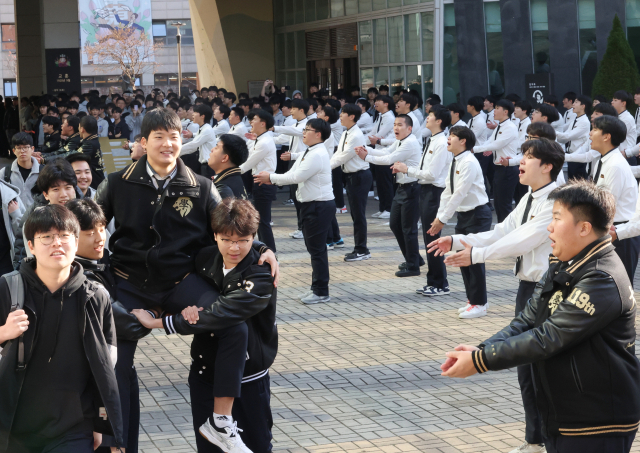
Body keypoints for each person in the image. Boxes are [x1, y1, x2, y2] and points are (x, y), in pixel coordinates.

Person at [95, 108, 279, 453]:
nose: (168, 144)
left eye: (174, 137)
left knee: (234, 329)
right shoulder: (117, 182)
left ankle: (221, 422)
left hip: (181, 281)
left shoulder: (201, 185)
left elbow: (232, 220)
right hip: (129, 282)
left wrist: (261, 247)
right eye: (159, 137)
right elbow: (89, 224)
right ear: (144, 142)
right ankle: (117, 442)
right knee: (114, 358)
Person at [441, 179, 640, 453]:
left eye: (557, 218)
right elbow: (527, 320)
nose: (550, 226)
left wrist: (480, 361)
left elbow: (548, 337)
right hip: (565, 412)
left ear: (584, 228)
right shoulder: (563, 263)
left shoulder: (601, 277)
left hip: (599, 420)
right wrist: (482, 348)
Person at [431, 138, 563, 451]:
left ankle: (552, 441)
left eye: (528, 157)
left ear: (547, 166)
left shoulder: (557, 201)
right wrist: (461, 239)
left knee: (544, 369)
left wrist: (476, 255)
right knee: (525, 369)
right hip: (527, 289)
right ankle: (535, 440)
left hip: (549, 291)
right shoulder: (530, 196)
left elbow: (523, 241)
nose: (520, 161)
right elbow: (503, 231)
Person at [131, 198, 276, 453]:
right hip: (205, 375)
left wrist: (159, 322)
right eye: (227, 239)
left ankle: (223, 423)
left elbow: (221, 313)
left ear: (253, 236)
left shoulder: (261, 274)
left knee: (257, 447)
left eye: (243, 240)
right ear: (215, 236)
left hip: (248, 378)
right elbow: (182, 289)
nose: (234, 247)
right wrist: (184, 308)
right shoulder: (205, 257)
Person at [0, 204, 124, 452]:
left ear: (76, 243)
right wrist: (2, 333)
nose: (57, 243)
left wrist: (100, 421)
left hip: (73, 427)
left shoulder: (95, 296)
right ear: (31, 246)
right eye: (46, 237)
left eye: (64, 236)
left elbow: (106, 364)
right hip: (12, 425)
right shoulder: (8, 288)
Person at [255, 118, 334, 304]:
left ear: (318, 134)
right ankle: (317, 288)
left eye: (308, 130)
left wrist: (271, 177)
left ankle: (321, 291)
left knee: (317, 250)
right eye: (304, 129)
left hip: (318, 206)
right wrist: (272, 178)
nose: (304, 133)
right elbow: (294, 173)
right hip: (312, 205)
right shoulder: (310, 150)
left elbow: (296, 176)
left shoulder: (317, 153)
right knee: (315, 249)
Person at [429, 126, 491, 318]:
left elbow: (460, 193)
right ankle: (473, 300)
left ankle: (480, 303)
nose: (448, 139)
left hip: (478, 215)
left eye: (453, 136)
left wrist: (442, 219)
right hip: (464, 215)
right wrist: (439, 216)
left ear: (463, 141)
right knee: (463, 259)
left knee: (473, 258)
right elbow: (448, 192)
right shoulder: (455, 160)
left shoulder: (469, 162)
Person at [393, 107, 452, 293]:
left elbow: (432, 174)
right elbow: (423, 167)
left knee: (432, 237)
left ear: (439, 121)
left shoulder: (441, 142)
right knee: (429, 237)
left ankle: (440, 283)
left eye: (431, 116)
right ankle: (433, 281)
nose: (427, 118)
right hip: (426, 190)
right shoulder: (432, 139)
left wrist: (407, 169)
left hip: (434, 192)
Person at [356, 114, 422, 277]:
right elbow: (385, 151)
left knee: (408, 229)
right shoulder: (400, 141)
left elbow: (388, 159)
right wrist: (367, 150)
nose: (396, 128)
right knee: (395, 224)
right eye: (395, 125)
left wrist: (366, 157)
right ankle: (414, 258)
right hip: (402, 188)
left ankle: (413, 266)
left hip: (412, 189)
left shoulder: (410, 143)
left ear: (409, 128)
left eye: (400, 125)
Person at [587, 115, 639, 285]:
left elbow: (604, 206)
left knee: (618, 288)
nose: (590, 134)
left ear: (606, 136)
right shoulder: (604, 161)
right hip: (611, 230)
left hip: (620, 234)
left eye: (594, 129)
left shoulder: (615, 164)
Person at [331, 104, 371, 261]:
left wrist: (322, 168)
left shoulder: (355, 135)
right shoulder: (346, 132)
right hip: (351, 176)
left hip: (359, 176)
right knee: (356, 214)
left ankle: (362, 249)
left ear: (352, 116)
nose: (340, 116)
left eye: (343, 113)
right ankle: (360, 248)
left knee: (359, 214)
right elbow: (338, 154)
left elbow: (343, 157)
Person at [473, 99, 519, 222]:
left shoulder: (510, 127)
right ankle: (501, 232)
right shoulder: (500, 126)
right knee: (498, 204)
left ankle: (507, 234)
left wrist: (474, 149)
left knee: (504, 205)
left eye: (497, 108)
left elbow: (497, 144)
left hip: (508, 169)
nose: (494, 111)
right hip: (500, 168)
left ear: (505, 111)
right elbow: (490, 142)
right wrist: (479, 148)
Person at [241, 109, 278, 251]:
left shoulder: (264, 142)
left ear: (263, 124)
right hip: (259, 182)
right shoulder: (260, 139)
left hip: (264, 183)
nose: (251, 122)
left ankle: (271, 253)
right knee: (261, 221)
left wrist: (227, 173)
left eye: (254, 119)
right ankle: (266, 251)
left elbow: (247, 164)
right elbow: (249, 153)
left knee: (263, 222)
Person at [274, 99, 310, 240]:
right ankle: (301, 227)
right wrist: (261, 137)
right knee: (295, 197)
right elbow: (282, 138)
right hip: (292, 160)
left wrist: (273, 128)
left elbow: (293, 131)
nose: (290, 111)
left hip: (301, 161)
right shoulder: (295, 124)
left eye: (293, 108)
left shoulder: (307, 125)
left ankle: (304, 228)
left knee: (301, 197)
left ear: (301, 110)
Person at [367, 95, 396, 219]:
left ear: (386, 104)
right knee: (379, 182)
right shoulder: (380, 116)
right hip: (378, 152)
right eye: (375, 101)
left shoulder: (389, 117)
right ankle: (382, 208)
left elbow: (379, 135)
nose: (375, 103)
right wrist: (363, 142)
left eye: (378, 101)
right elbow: (373, 134)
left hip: (386, 153)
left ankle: (388, 209)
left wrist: (372, 140)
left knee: (385, 182)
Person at [557, 94, 591, 180]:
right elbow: (564, 138)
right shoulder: (575, 120)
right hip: (571, 156)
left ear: (583, 106)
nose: (573, 105)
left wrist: (550, 131)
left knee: (578, 184)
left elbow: (568, 136)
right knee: (571, 182)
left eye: (576, 102)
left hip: (579, 157)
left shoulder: (584, 122)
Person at [1, 132, 39, 208]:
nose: (22, 151)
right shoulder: (5, 172)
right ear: (14, 151)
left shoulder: (43, 171)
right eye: (18, 148)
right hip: (14, 217)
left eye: (26, 147)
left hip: (37, 217)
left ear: (32, 149)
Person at [180, 103, 217, 177]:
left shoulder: (207, 129)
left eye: (195, 112)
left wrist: (175, 151)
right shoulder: (203, 128)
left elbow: (193, 145)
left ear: (202, 116)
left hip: (208, 166)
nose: (193, 114)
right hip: (204, 165)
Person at [208, 134, 249, 199]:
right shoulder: (234, 179)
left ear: (225, 158)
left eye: (216, 148)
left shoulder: (223, 189)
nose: (212, 150)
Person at [78, 116, 106, 189]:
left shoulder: (89, 144)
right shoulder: (94, 140)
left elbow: (73, 155)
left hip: (94, 181)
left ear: (82, 129)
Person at [612, 90, 638, 165]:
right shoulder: (617, 116)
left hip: (626, 156)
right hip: (620, 155)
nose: (612, 102)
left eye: (615, 100)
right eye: (613, 100)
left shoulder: (627, 118)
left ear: (623, 103)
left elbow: (615, 135)